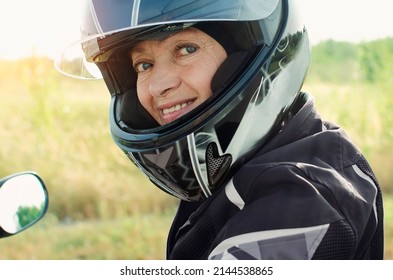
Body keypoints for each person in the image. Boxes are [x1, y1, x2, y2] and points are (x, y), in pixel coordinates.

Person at [56, 0, 384, 259]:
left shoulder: (300, 203)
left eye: (186, 49)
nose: (158, 86)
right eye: (144, 64)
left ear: (247, 55)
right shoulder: (274, 153)